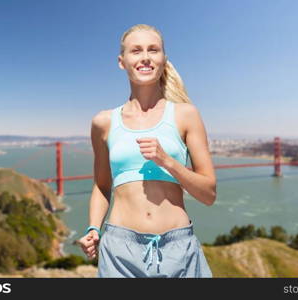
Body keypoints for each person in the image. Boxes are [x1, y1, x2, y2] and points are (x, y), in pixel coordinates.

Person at [77, 24, 216, 278]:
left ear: (163, 59)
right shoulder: (103, 122)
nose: (145, 57)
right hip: (120, 253)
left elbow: (208, 194)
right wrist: (93, 228)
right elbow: (101, 185)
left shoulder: (186, 115)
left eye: (153, 50)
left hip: (179, 250)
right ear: (122, 62)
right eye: (136, 51)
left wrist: (168, 162)